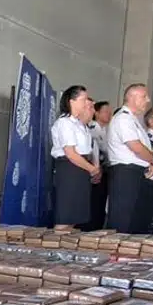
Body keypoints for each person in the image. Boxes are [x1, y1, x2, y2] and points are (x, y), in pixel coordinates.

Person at [105, 84, 153, 233]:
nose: (148, 100)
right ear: (131, 97)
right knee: (122, 218)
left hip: (135, 172)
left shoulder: (133, 120)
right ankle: (115, 246)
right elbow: (135, 146)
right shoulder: (123, 118)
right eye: (144, 96)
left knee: (134, 218)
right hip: (125, 172)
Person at [49, 85, 100, 231]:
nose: (87, 103)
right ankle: (56, 242)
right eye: (84, 99)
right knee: (66, 215)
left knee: (75, 216)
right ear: (72, 101)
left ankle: (65, 243)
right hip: (70, 169)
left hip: (81, 168)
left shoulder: (79, 123)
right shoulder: (64, 123)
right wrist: (92, 169)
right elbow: (70, 153)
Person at [86, 101, 113, 230]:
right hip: (94, 170)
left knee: (101, 202)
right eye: (106, 111)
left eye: (110, 112)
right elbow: (96, 151)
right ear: (96, 113)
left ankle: (98, 227)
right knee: (94, 202)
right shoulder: (92, 129)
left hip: (107, 171)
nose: (109, 114)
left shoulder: (108, 130)